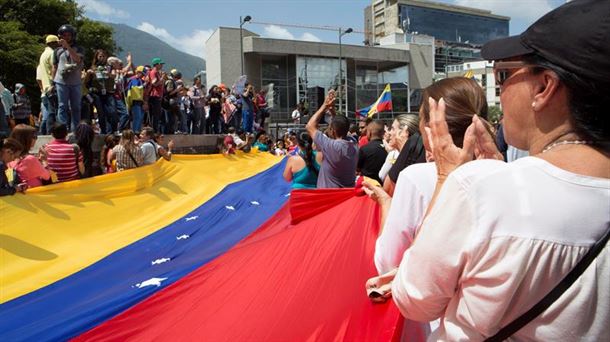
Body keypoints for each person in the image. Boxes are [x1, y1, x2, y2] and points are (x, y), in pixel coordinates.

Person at [389, 2, 610, 340]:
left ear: (544, 87)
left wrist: (450, 180)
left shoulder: (479, 188)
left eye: (503, 75)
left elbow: (414, 299)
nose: (501, 92)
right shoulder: (495, 184)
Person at [305, 89, 358, 188]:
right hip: (347, 197)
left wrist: (324, 106)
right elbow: (341, 125)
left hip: (329, 197)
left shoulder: (330, 146)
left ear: (332, 131)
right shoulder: (354, 144)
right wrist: (332, 111)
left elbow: (309, 126)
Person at [52, 24, 85, 131]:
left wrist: (68, 47)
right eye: (64, 35)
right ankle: (62, 129)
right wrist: (53, 82)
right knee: (62, 106)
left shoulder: (79, 48)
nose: (66, 37)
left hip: (75, 82)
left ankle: (75, 129)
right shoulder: (57, 51)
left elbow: (77, 60)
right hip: (61, 81)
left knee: (76, 107)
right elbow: (54, 67)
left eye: (68, 35)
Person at [378, 114, 419, 183]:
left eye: (393, 129)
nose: (389, 132)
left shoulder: (418, 159)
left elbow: (388, 184)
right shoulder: (394, 153)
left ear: (404, 132)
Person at [37, 34, 60, 134]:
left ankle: (45, 133)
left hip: (45, 88)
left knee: (48, 114)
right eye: (57, 43)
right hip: (52, 86)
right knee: (53, 112)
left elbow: (38, 77)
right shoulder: (52, 53)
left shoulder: (43, 55)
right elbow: (55, 68)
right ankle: (51, 133)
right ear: (53, 43)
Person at [127, 66, 146, 133]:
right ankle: (135, 131)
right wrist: (143, 85)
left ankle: (137, 130)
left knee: (140, 117)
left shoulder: (140, 80)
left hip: (140, 101)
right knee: (137, 117)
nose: (143, 75)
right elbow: (135, 89)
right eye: (142, 74)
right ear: (138, 72)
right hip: (134, 101)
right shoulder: (134, 79)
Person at [148, 57, 165, 134]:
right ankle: (154, 131)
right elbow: (154, 83)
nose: (162, 65)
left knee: (157, 114)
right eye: (160, 64)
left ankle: (155, 130)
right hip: (154, 95)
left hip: (158, 95)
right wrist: (161, 80)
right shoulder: (153, 72)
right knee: (155, 114)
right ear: (157, 64)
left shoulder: (157, 73)